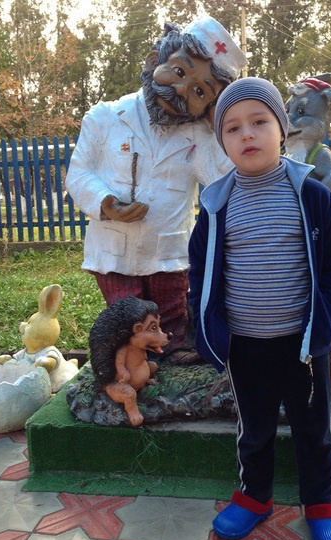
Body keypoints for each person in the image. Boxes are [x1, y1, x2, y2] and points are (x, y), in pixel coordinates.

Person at [188, 77, 331, 540]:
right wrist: (204, 323)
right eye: (233, 128)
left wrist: (327, 313)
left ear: (282, 129)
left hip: (303, 344)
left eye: (259, 122)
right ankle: (254, 497)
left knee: (313, 430)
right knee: (254, 428)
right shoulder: (216, 206)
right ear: (223, 142)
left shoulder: (312, 195)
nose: (247, 134)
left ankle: (320, 504)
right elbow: (200, 270)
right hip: (244, 344)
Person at [65, 15, 246, 365]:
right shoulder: (104, 118)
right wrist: (106, 203)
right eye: (178, 72)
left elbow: (224, 181)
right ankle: (128, 364)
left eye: (200, 92)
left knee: (171, 311)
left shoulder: (200, 137)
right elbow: (79, 173)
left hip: (169, 254)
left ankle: (173, 353)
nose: (180, 91)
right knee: (125, 314)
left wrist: (219, 128)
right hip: (114, 250)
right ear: (153, 60)